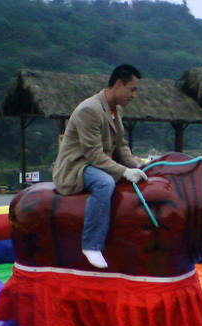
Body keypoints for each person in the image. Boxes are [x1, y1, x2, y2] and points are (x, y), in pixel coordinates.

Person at [52, 64, 147, 269]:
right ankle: (91, 245)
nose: (134, 95)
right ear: (119, 84)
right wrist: (123, 171)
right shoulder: (90, 109)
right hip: (78, 166)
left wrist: (137, 167)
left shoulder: (116, 110)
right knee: (104, 183)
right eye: (132, 89)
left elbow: (121, 145)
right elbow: (93, 154)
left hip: (99, 163)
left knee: (138, 177)